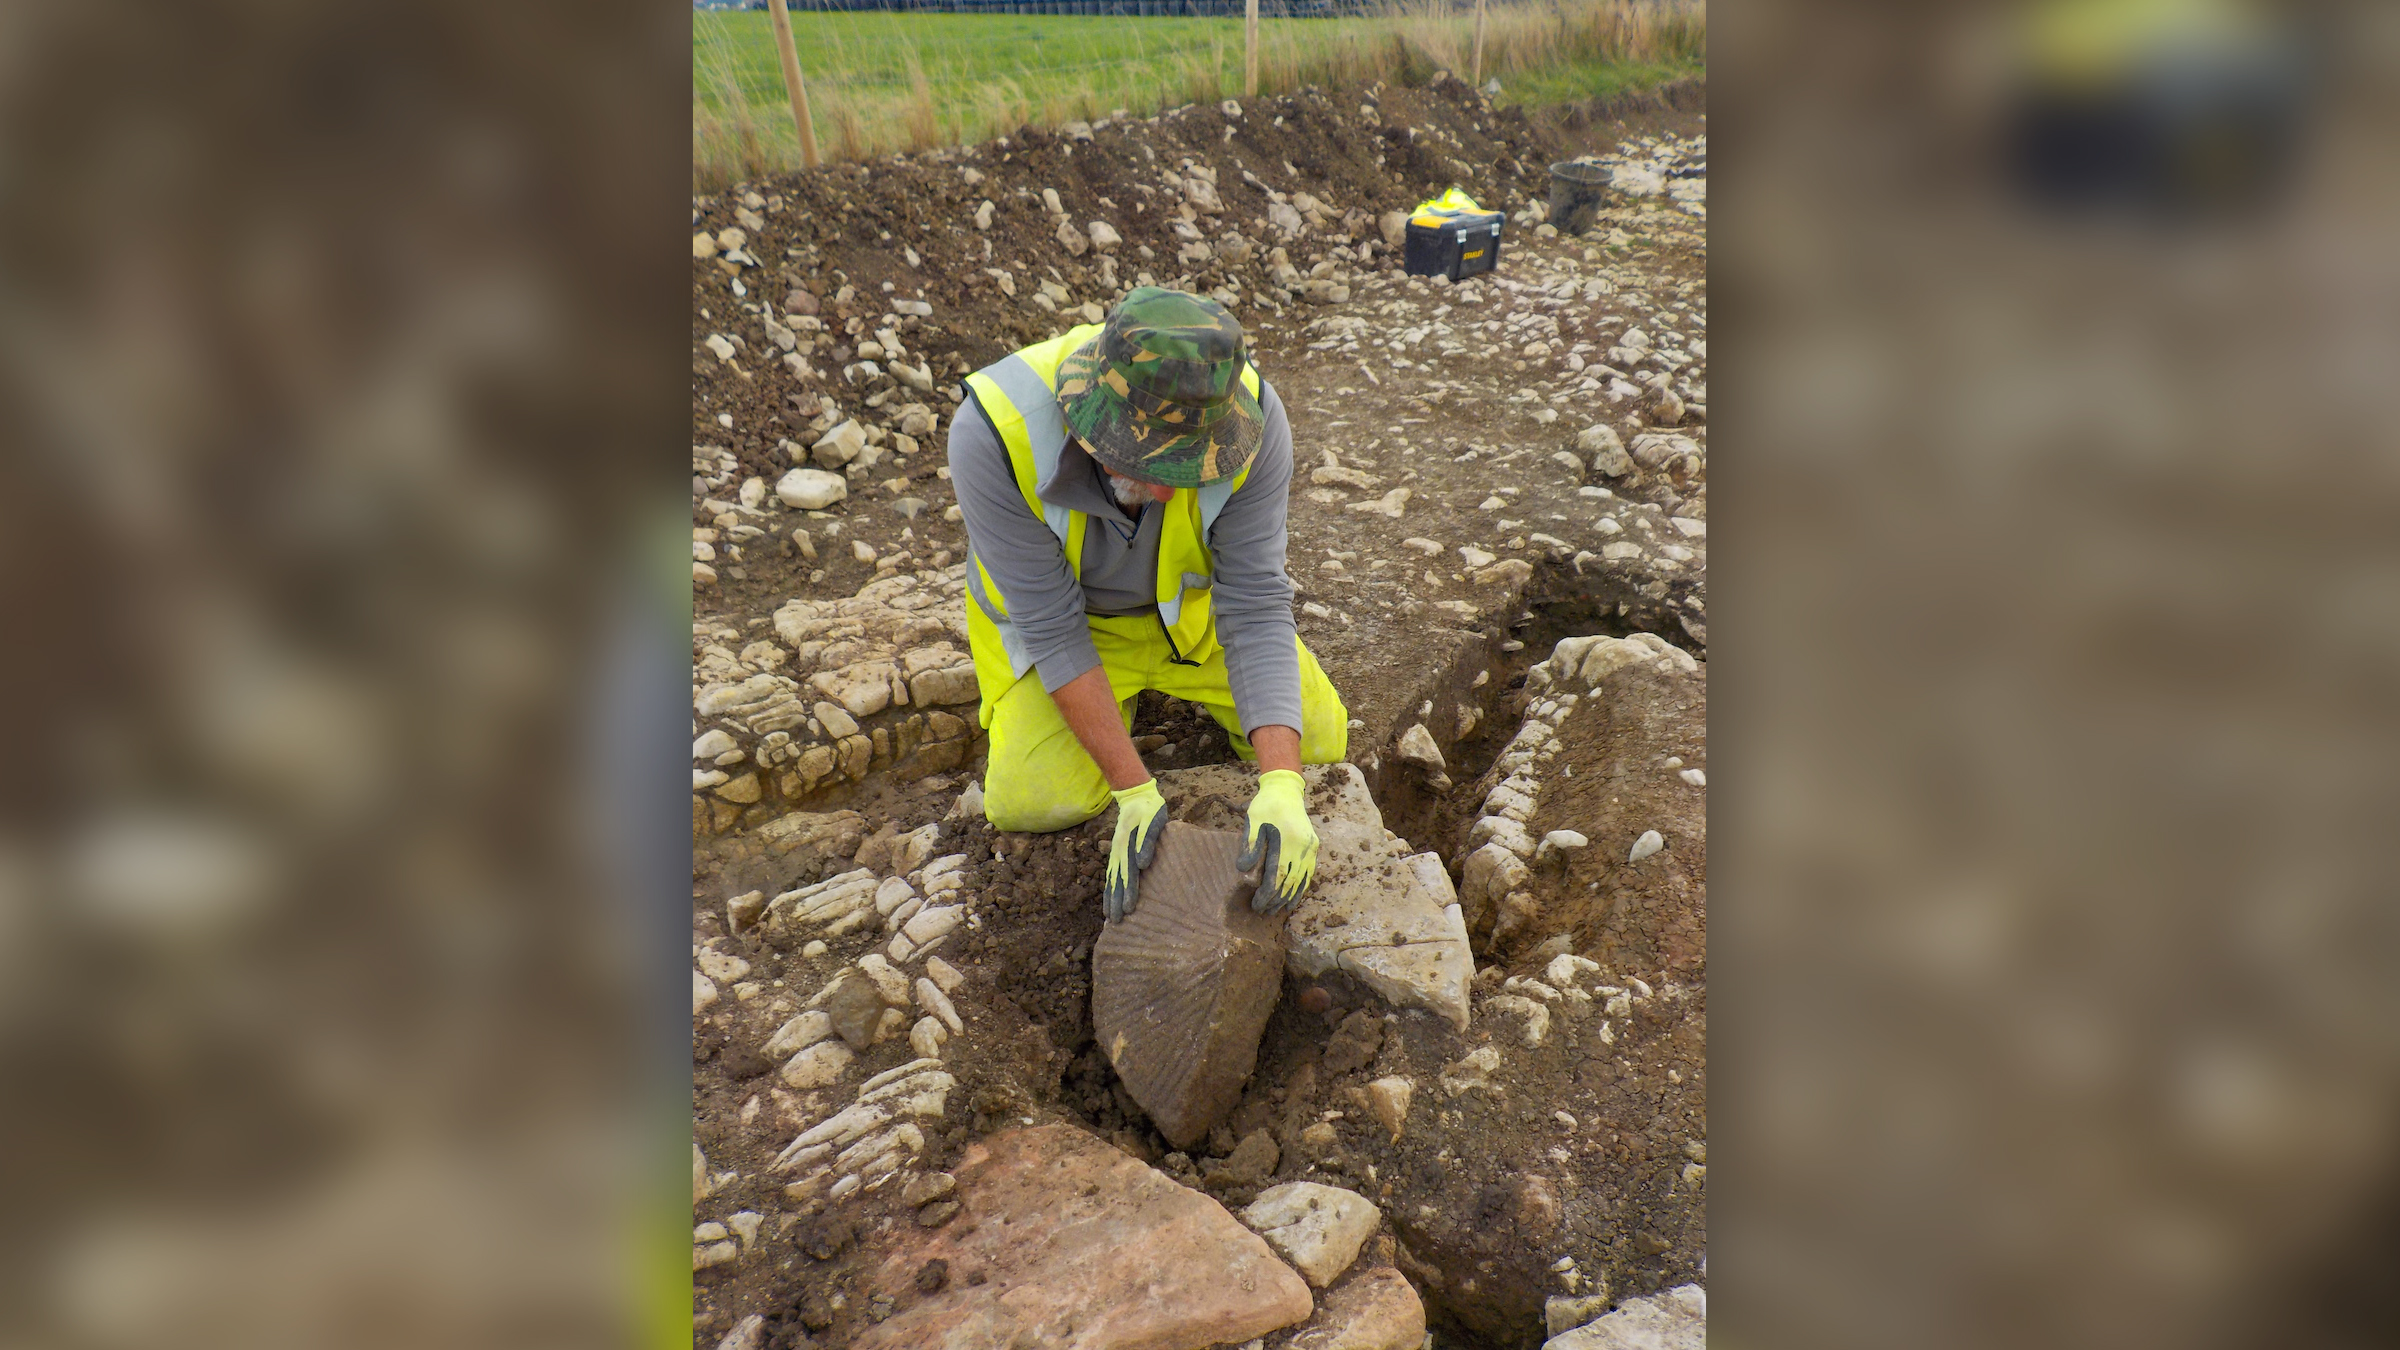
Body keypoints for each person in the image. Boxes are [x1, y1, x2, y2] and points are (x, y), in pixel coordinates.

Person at [947, 286, 1348, 921]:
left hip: (1186, 623)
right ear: (1092, 420)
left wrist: (1281, 784)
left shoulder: (1253, 420)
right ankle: (1114, 717)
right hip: (1070, 628)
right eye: (1150, 462)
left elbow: (1255, 603)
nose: (1167, 488)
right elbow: (1051, 627)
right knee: (1032, 801)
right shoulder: (994, 433)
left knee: (1320, 746)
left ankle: (1166, 710)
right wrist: (1132, 787)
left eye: (1191, 464)